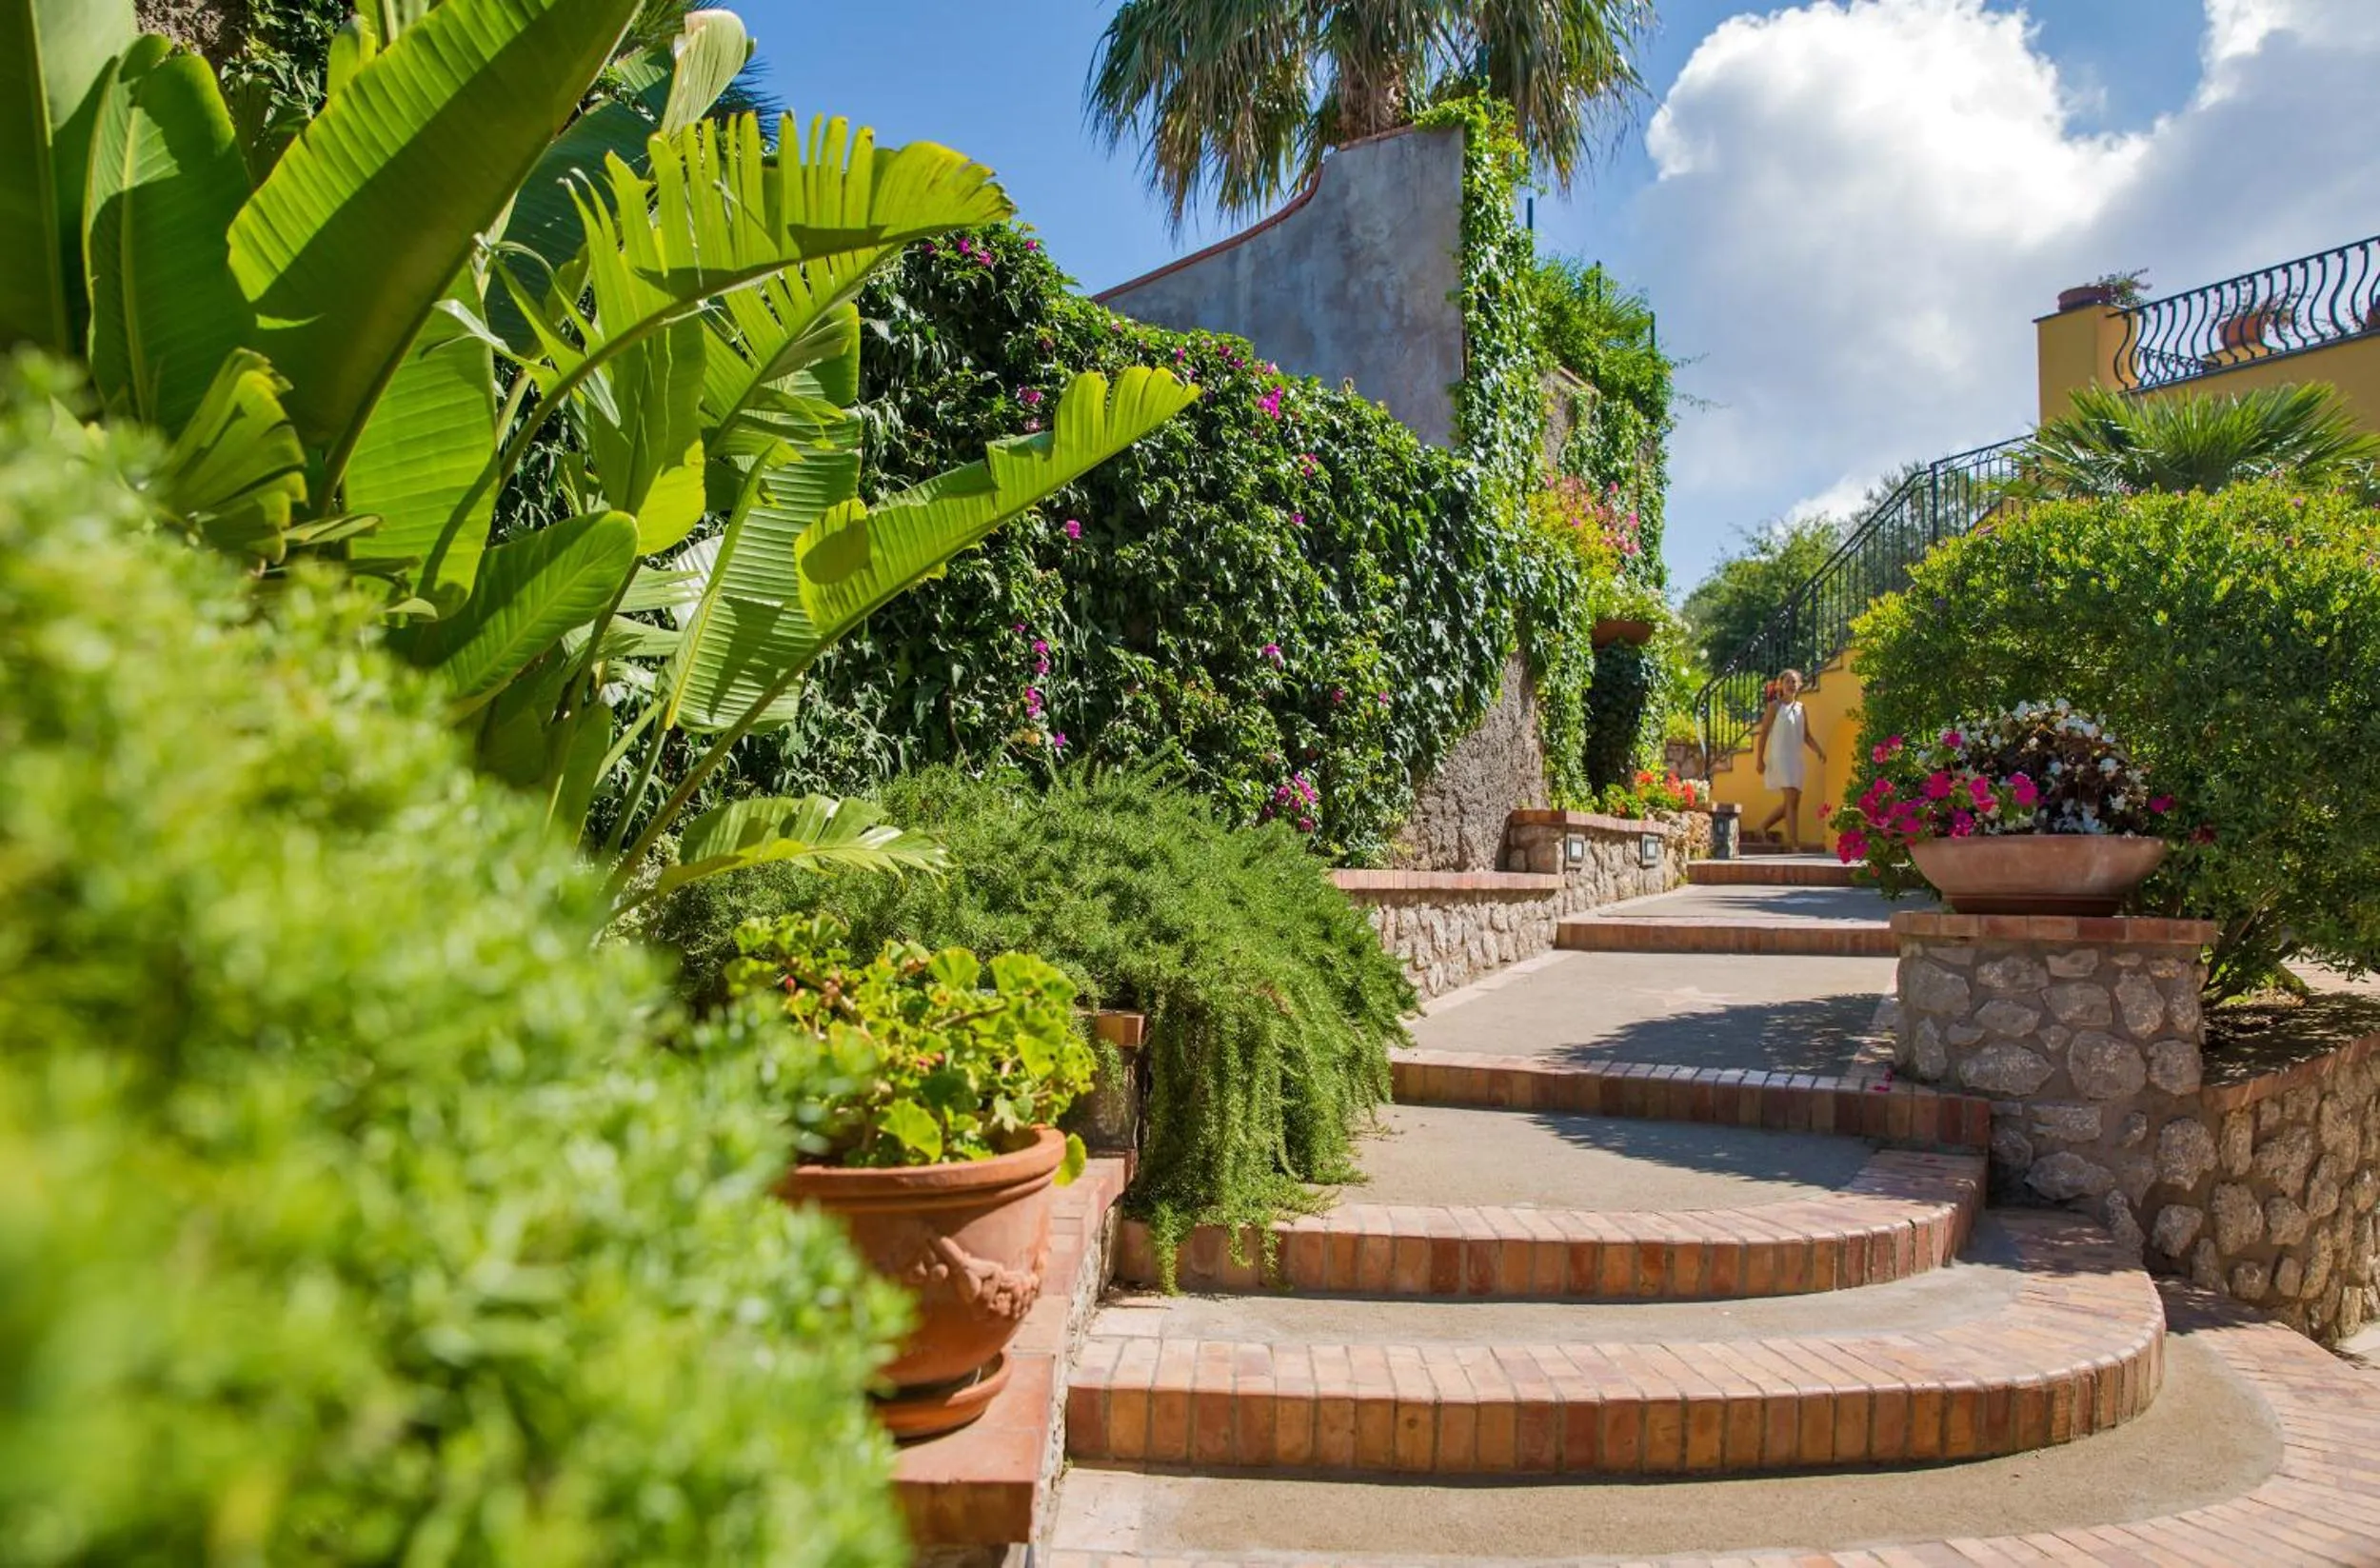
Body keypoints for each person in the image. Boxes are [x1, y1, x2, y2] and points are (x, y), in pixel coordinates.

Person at [1754, 668, 1826, 851]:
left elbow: (1806, 735)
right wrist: (1759, 760)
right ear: (1781, 685)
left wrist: (1819, 751)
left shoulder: (1801, 709)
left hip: (1796, 760)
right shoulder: (1774, 707)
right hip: (1780, 758)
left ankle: (1762, 827)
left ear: (1799, 685)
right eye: (1788, 681)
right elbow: (1762, 736)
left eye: (1794, 682)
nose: (1791, 685)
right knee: (1791, 801)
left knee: (1792, 802)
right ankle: (1794, 844)